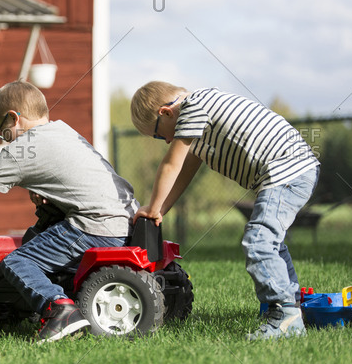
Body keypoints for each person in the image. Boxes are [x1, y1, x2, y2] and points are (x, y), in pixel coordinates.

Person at [0, 80, 140, 342]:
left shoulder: (20, 150)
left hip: (94, 225)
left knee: (18, 261)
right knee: (39, 238)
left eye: (3, 133)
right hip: (127, 220)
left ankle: (60, 309)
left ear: (14, 119)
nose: (4, 140)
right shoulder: (65, 131)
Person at [130, 81, 319, 340]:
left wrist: (151, 206)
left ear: (165, 113)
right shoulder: (199, 116)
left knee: (259, 241)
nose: (166, 141)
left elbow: (171, 166)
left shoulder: (191, 107)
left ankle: (285, 315)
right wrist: (160, 208)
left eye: (159, 135)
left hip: (287, 170)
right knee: (271, 242)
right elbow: (185, 170)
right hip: (291, 170)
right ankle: (292, 305)